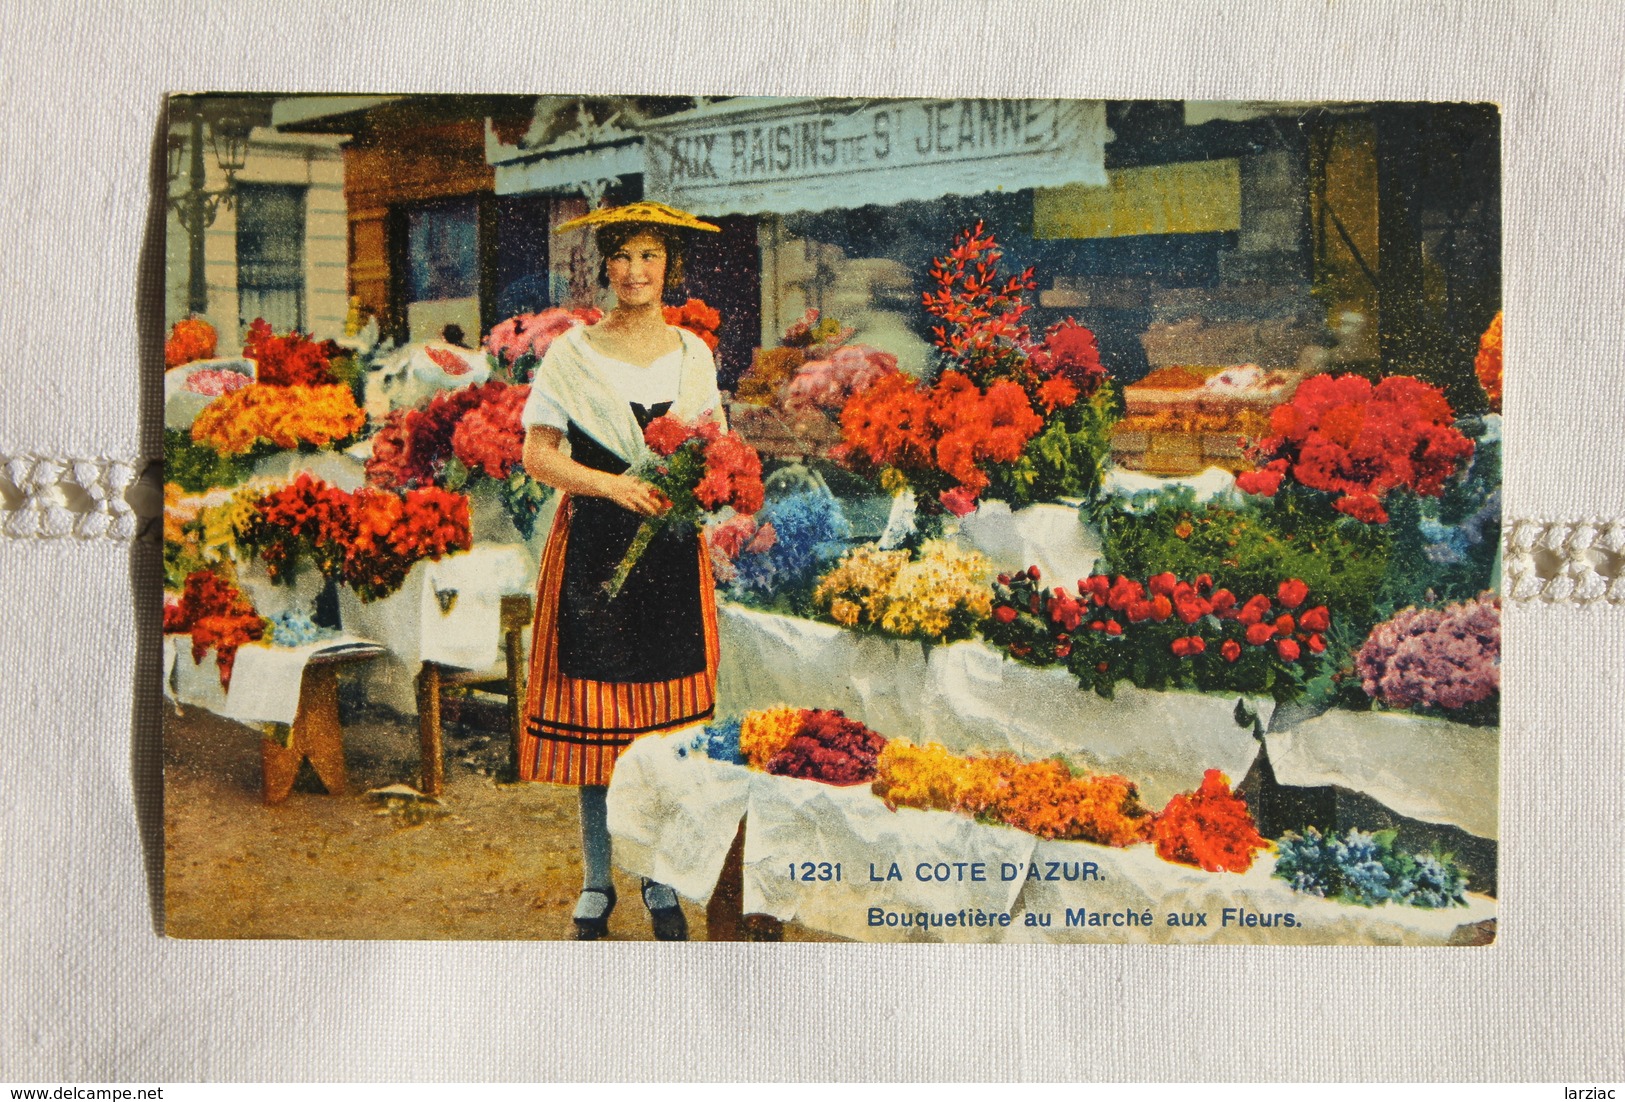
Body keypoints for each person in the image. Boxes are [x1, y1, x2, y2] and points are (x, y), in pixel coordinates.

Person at [517, 201, 724, 941]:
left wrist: (711, 490)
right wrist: (610, 485)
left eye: (650, 257)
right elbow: (536, 455)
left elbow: (715, 448)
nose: (635, 272)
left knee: (663, 732)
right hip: (597, 549)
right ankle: (596, 882)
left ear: (668, 267)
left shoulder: (694, 354)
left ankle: (660, 880)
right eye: (623, 257)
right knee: (596, 724)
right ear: (603, 267)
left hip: (670, 553)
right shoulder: (572, 354)